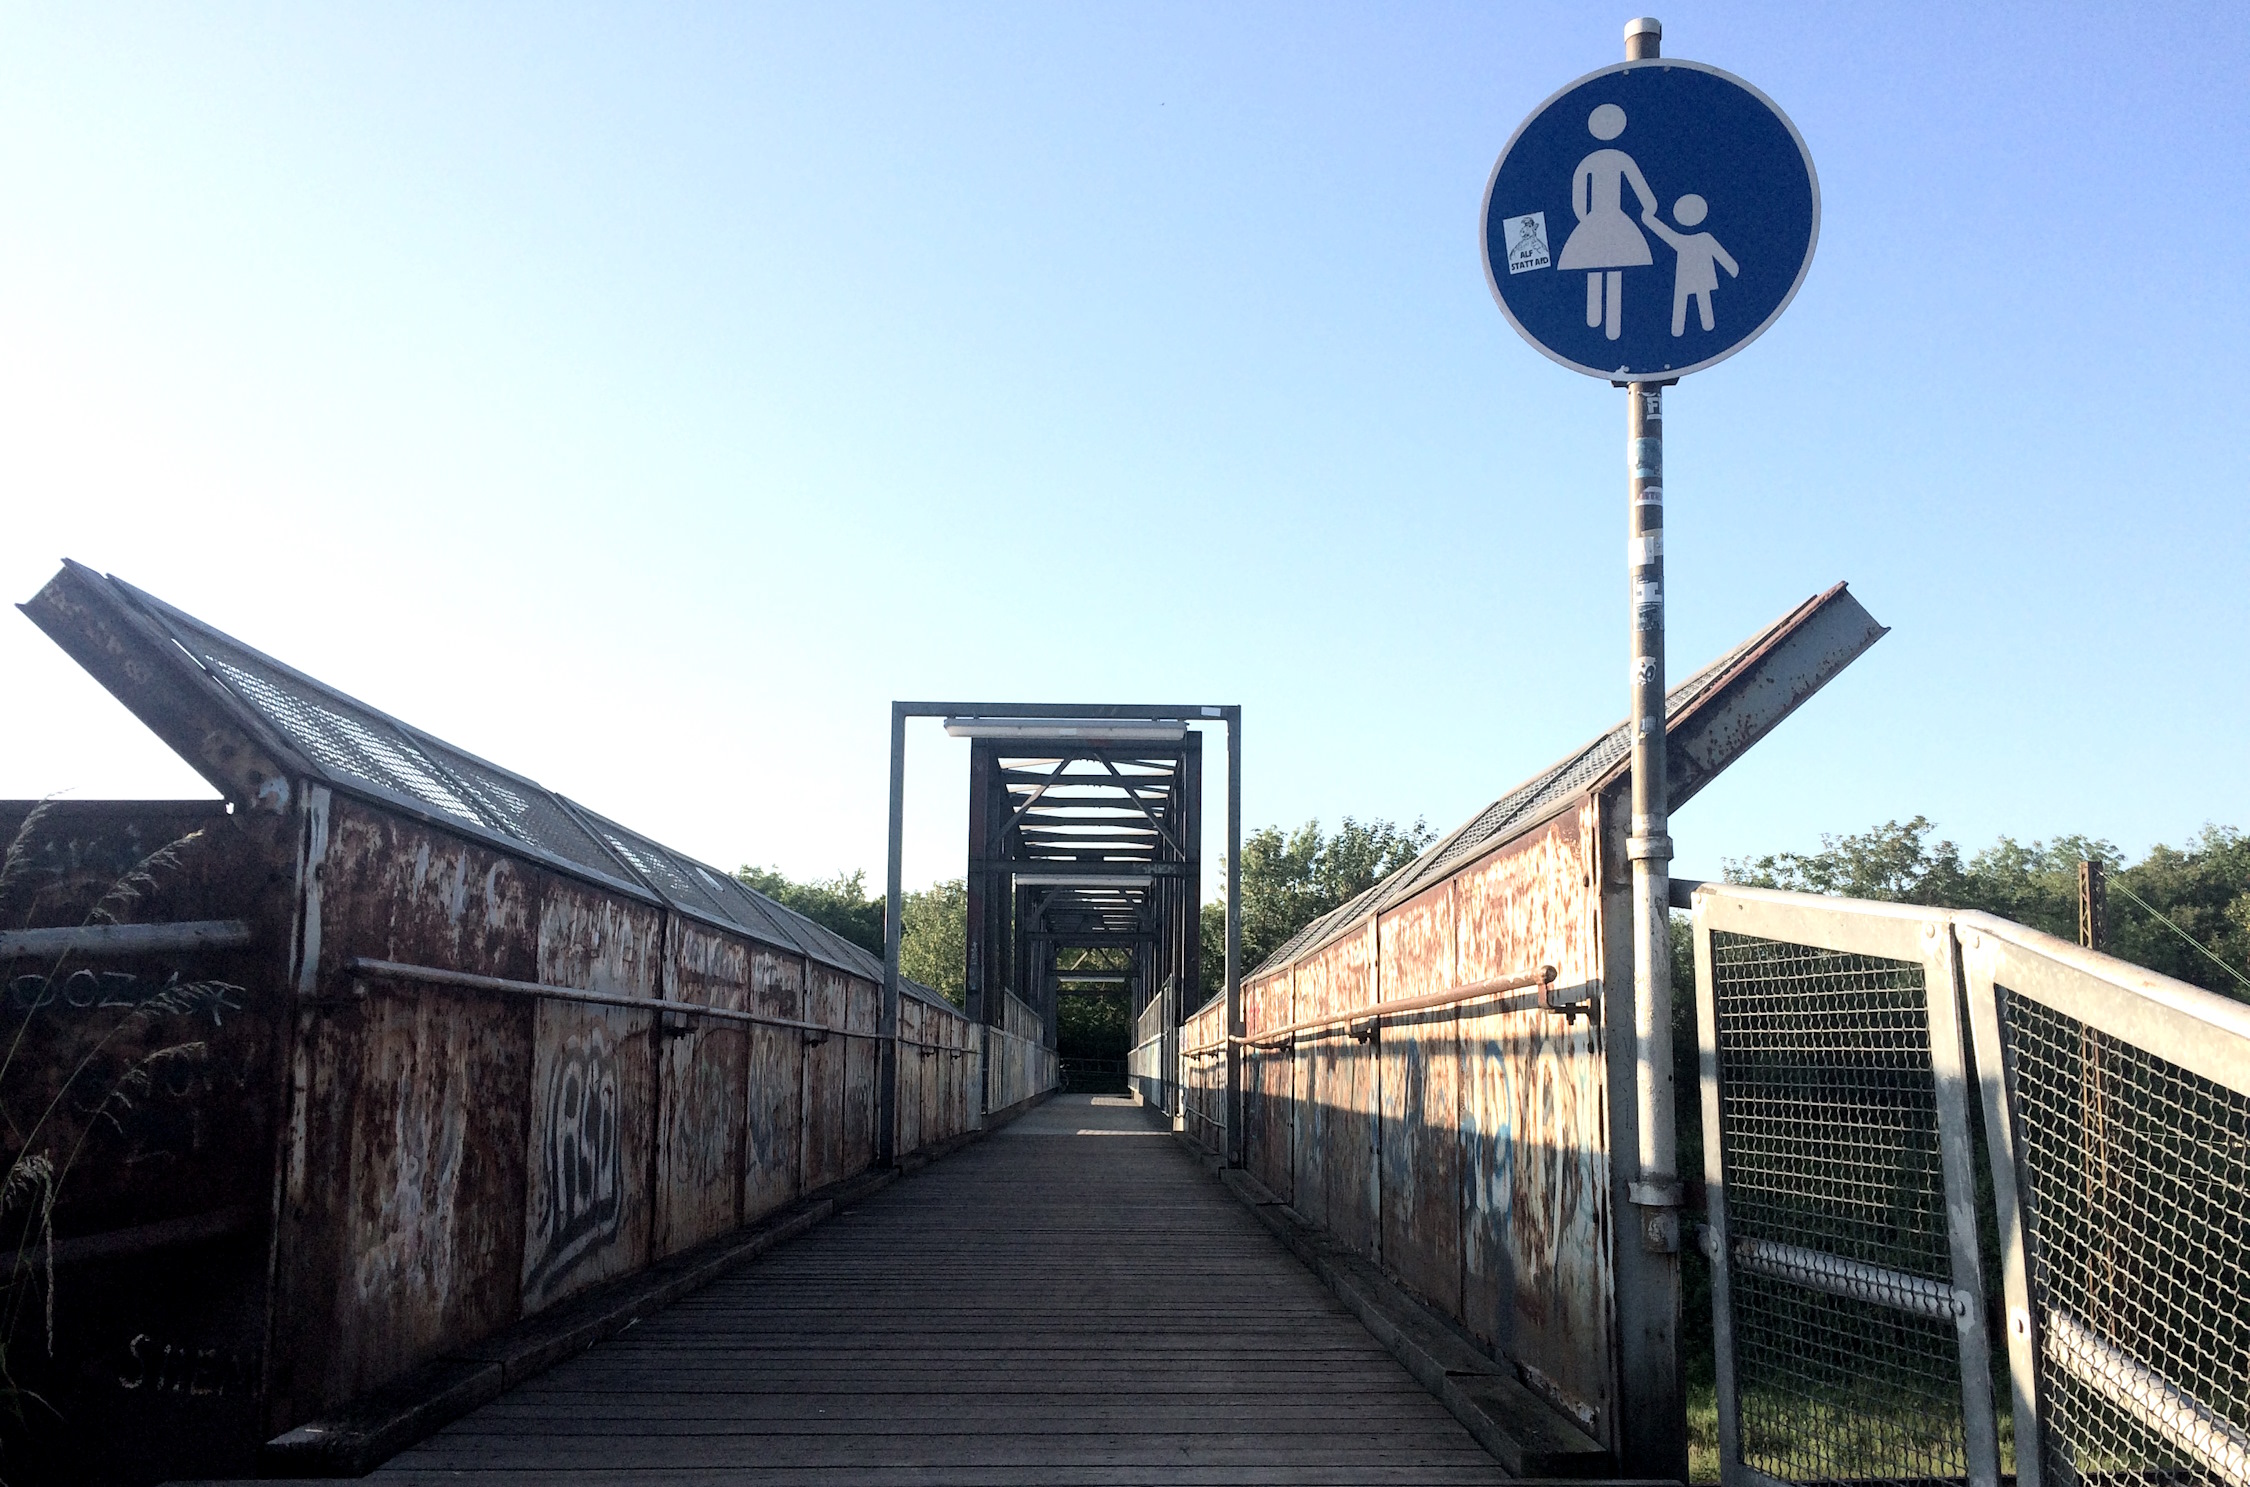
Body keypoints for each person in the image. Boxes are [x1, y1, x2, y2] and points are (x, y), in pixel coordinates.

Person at [1557, 103, 1658, 342]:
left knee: (1598, 264)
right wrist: (1649, 206)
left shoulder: (1592, 161)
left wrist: (1586, 220)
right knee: (1612, 266)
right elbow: (1640, 188)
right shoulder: (1617, 159)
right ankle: (1605, 324)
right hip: (1613, 219)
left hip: (1598, 219)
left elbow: (1579, 199)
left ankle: (1601, 322)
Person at [1641, 194, 1739, 337]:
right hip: (1693, 276)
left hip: (1690, 276)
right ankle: (1684, 330)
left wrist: (1648, 219)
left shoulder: (1692, 239)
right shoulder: (1697, 239)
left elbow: (1665, 233)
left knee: (1691, 300)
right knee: (1691, 299)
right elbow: (1664, 232)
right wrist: (1733, 269)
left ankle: (1687, 329)